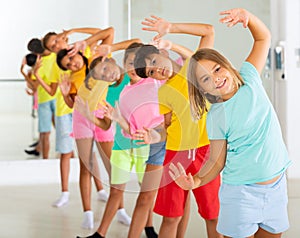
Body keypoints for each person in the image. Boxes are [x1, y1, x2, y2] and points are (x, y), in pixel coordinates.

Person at [169, 8, 291, 238]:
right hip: (241, 194)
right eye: (206, 79)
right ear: (202, 89)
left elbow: (263, 37)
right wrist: (195, 180)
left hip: (276, 188)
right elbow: (216, 161)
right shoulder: (216, 116)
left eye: (217, 69)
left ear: (226, 65)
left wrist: (249, 18)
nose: (215, 78)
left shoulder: (250, 78)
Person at [133, 16, 221, 238]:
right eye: (150, 73)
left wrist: (172, 34)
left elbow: (208, 31)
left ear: (162, 53)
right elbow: (167, 127)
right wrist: (154, 136)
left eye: (153, 63)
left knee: (212, 215)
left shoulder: (193, 69)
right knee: (171, 217)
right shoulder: (163, 92)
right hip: (174, 157)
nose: (156, 71)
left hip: (205, 153)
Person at [56, 29, 134, 229]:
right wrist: (65, 94)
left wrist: (81, 36)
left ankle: (120, 210)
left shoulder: (96, 59)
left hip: (101, 115)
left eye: (71, 59)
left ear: (77, 52)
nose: (71, 64)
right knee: (86, 166)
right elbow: (74, 103)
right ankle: (87, 213)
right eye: (67, 65)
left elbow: (109, 33)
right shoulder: (73, 78)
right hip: (82, 119)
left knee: (112, 167)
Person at [27, 38, 56, 160]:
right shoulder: (55, 55)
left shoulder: (39, 63)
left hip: (45, 100)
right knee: (62, 130)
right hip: (58, 98)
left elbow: (34, 87)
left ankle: (45, 160)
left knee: (45, 133)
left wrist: (26, 73)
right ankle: (71, 156)